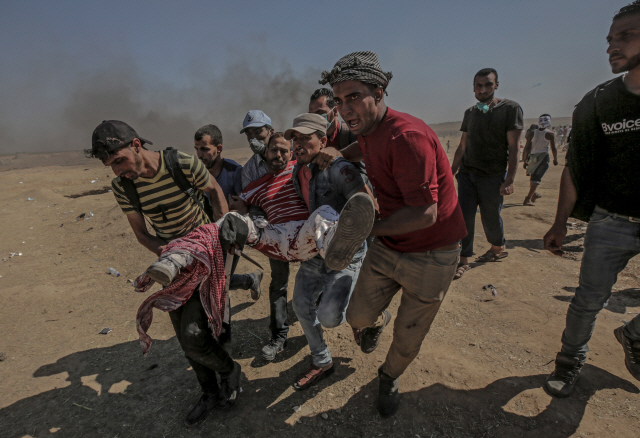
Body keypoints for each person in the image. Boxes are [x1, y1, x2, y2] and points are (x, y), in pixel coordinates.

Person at [314, 51, 467, 416]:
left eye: (354, 96)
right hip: (389, 245)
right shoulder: (368, 129)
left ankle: (389, 375)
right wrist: (338, 153)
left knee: (408, 335)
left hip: (432, 253)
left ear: (379, 92)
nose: (345, 109)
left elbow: (426, 214)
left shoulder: (407, 138)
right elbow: (364, 146)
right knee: (358, 318)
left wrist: (366, 229)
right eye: (338, 101)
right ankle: (376, 321)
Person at [87, 120, 239, 427]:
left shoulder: (180, 163)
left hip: (206, 257)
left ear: (136, 145)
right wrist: (172, 255)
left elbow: (213, 189)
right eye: (110, 166)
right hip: (172, 264)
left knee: (195, 336)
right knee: (186, 342)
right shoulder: (124, 186)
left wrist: (221, 235)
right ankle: (209, 393)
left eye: (119, 161)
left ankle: (230, 371)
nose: (117, 171)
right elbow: (142, 235)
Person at [542, 1, 640, 398]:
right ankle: (569, 362)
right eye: (610, 39)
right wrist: (561, 222)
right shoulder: (599, 101)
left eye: (626, 36)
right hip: (612, 220)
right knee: (588, 300)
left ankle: (632, 334)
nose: (612, 47)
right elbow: (576, 167)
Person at [286, 113, 374, 390]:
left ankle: (374, 317)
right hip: (315, 253)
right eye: (295, 139)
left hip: (344, 254)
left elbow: (369, 209)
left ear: (322, 141)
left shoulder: (339, 169)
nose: (297, 144)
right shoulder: (297, 172)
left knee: (330, 317)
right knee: (300, 304)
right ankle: (322, 359)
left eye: (305, 138)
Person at [450, 68, 524, 279]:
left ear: (496, 85)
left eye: (488, 85)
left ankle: (497, 248)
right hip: (467, 174)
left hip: (492, 175)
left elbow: (514, 147)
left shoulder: (510, 108)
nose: (483, 90)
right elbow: (462, 145)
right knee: (464, 217)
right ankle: (463, 259)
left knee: (491, 216)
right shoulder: (470, 113)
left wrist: (509, 179)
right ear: (473, 87)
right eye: (479, 85)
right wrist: (450, 172)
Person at [238, 111, 292, 361]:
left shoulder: (292, 155)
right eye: (248, 133)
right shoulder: (250, 170)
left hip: (305, 230)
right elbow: (250, 202)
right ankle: (278, 335)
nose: (252, 137)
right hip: (275, 234)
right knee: (279, 283)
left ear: (270, 131)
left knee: (318, 281)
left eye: (257, 131)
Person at [522, 115, 558, 206]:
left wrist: (525, 160)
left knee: (534, 177)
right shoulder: (550, 134)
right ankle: (528, 198)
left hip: (533, 157)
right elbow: (553, 148)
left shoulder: (532, 133)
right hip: (543, 157)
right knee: (536, 178)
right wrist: (555, 159)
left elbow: (527, 148)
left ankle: (533, 194)